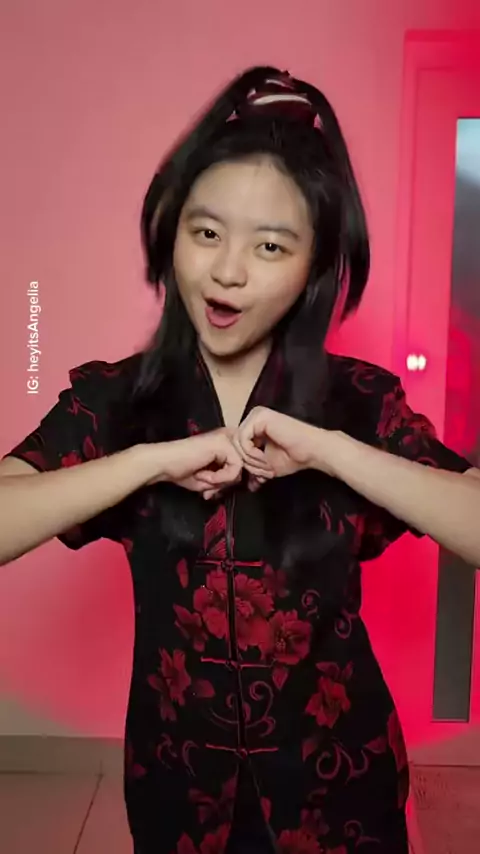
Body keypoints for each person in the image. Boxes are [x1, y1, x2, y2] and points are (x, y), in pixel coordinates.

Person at [1, 66, 479, 854]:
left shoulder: (359, 402)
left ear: (315, 266)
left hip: (340, 791)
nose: (227, 271)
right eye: (206, 234)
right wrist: (147, 462)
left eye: (270, 246)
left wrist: (332, 452)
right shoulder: (119, 401)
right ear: (171, 234)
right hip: (178, 793)